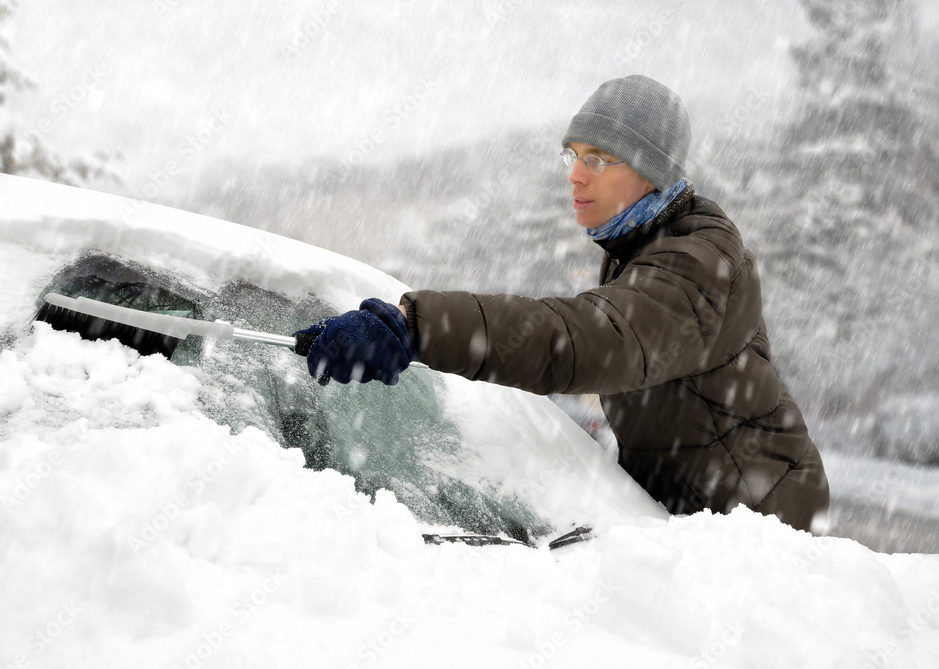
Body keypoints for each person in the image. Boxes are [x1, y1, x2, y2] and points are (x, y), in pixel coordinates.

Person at [293, 74, 830, 533]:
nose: (574, 174)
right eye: (572, 155)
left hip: (764, 529)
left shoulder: (696, 261)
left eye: (598, 158)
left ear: (651, 172)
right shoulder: (640, 244)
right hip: (708, 522)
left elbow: (579, 340)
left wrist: (418, 327)